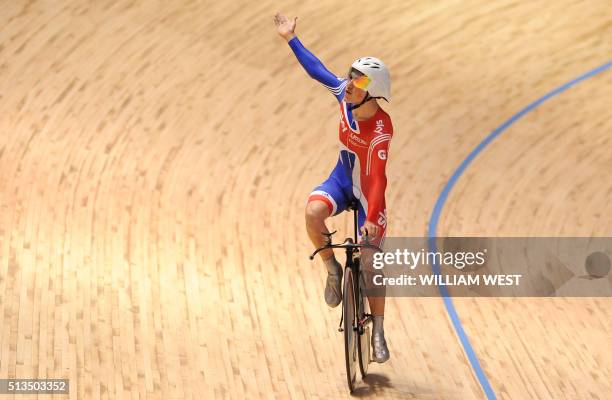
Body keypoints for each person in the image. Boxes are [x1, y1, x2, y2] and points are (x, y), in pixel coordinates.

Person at [274, 12, 392, 363]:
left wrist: (372, 217)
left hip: (369, 192)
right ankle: (331, 267)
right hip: (341, 178)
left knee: (371, 261)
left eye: (356, 82)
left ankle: (380, 331)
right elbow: (317, 70)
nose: (348, 83)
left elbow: (377, 179)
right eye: (351, 78)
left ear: (372, 93)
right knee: (312, 213)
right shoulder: (344, 94)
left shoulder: (380, 131)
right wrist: (291, 38)